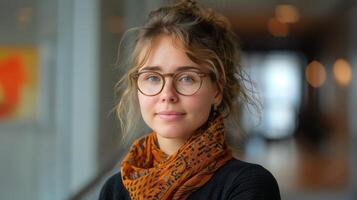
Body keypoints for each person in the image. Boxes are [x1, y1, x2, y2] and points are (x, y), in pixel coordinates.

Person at [99, 0, 280, 199]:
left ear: (217, 90)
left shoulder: (247, 185)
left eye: (186, 78)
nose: (167, 94)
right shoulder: (115, 189)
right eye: (152, 77)